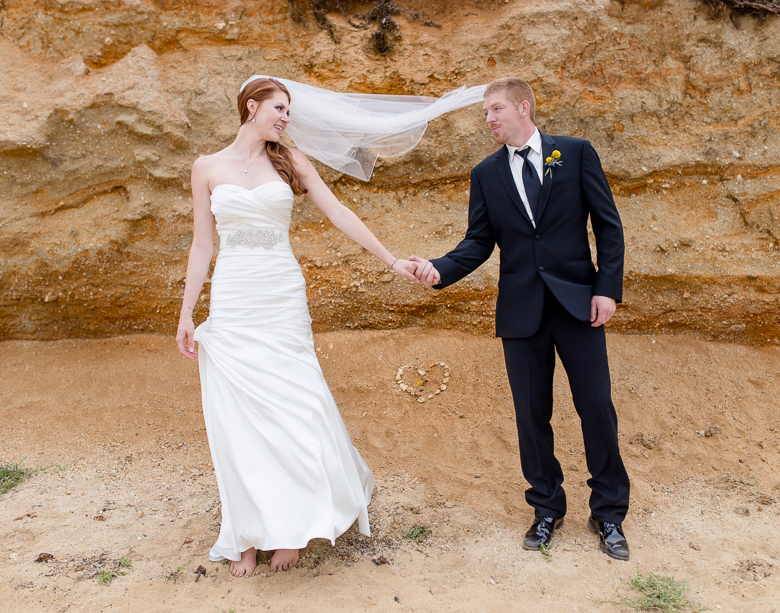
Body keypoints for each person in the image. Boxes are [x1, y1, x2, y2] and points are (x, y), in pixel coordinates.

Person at [175, 77, 423, 577]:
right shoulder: (206, 167)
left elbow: (339, 213)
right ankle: (247, 532)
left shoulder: (291, 162)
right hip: (235, 294)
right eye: (280, 108)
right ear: (252, 107)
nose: (286, 118)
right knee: (238, 412)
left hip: (281, 293)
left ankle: (293, 524)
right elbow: (203, 245)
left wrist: (391, 259)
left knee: (296, 400)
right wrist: (186, 312)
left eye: (288, 110)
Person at [410, 77, 631, 560]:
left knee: (596, 407)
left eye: (495, 110)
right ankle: (546, 507)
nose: (488, 119)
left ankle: (609, 513)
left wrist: (606, 290)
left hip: (579, 305)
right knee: (532, 417)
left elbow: (607, 224)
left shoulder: (573, 154)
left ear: (523, 108)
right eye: (485, 113)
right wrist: (438, 269)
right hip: (521, 311)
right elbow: (478, 242)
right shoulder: (485, 173)